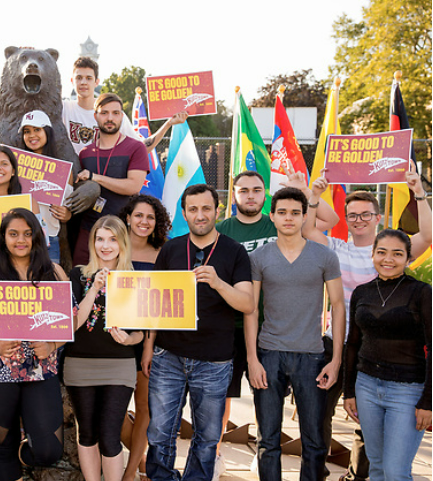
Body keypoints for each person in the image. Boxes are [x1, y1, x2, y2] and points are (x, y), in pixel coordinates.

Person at [302, 170, 431, 481]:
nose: (358, 220)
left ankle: (358, 475)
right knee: (321, 416)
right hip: (339, 345)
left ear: (377, 217)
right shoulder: (338, 250)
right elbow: (307, 231)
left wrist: (420, 194)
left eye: (365, 214)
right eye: (352, 215)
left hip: (384, 357)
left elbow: (426, 236)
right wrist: (313, 197)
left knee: (377, 440)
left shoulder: (393, 250)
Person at [214, 169, 338, 478]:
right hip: (238, 332)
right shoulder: (224, 231)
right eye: (244, 190)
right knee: (228, 402)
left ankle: (275, 460)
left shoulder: (286, 225)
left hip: (291, 339)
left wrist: (306, 190)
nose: (251, 195)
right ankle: (215, 453)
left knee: (300, 426)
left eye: (258, 189)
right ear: (235, 195)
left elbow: (329, 219)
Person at [143, 184, 254, 481]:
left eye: (206, 208)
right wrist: (148, 347)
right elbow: (154, 302)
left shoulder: (234, 251)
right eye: (193, 209)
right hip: (169, 355)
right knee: (159, 431)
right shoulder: (171, 248)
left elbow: (247, 302)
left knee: (207, 437)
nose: (200, 215)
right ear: (184, 213)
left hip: (214, 360)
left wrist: (219, 283)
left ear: (217, 210)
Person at [0, 208, 71, 481]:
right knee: (3, 446)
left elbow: (70, 321)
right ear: (3, 237)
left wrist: (52, 345)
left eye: (27, 234)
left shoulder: (52, 271)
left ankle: (26, 453)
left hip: (40, 370)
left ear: (36, 237)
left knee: (48, 451)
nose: (20, 240)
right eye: (13, 234)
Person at [245, 187, 345, 481]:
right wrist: (252, 359)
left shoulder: (324, 256)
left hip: (311, 355)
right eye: (282, 212)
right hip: (269, 353)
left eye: (295, 213)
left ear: (304, 217)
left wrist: (335, 360)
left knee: (314, 441)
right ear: (272, 216)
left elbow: (338, 306)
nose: (289, 218)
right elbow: (251, 309)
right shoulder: (259, 257)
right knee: (268, 440)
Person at [343, 229, 431, 481]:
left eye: (397, 253)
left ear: (408, 258)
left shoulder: (422, 293)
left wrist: (428, 402)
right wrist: (349, 392)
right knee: (377, 467)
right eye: (381, 252)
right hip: (367, 388)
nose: (388, 259)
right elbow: (353, 344)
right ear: (372, 254)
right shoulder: (362, 292)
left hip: (408, 391)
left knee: (396, 472)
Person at [66, 215, 143, 481]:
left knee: (110, 435)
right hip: (79, 365)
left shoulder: (134, 278)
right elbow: (72, 324)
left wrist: (129, 339)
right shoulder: (78, 274)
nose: (105, 245)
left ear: (123, 243)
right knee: (86, 431)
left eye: (112, 239)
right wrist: (94, 288)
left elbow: (141, 332)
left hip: (119, 365)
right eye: (100, 239)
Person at [117, 194, 171, 481]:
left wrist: (149, 345)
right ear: (127, 217)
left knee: (144, 407)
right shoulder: (113, 248)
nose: (144, 222)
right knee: (111, 411)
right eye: (138, 215)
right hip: (112, 338)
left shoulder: (164, 253)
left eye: (150, 217)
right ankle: (140, 457)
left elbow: (161, 306)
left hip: (149, 339)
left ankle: (131, 473)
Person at [72, 93, 150, 265]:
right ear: (95, 116)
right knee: (80, 278)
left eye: (115, 113)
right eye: (104, 113)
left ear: (122, 116)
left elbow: (133, 186)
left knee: (116, 286)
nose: (110, 118)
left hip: (120, 230)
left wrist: (95, 177)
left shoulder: (135, 147)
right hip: (88, 230)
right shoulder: (85, 152)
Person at [61, 56, 187, 156]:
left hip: (100, 180)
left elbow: (141, 148)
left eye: (88, 78)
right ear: (72, 81)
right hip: (68, 182)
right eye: (79, 78)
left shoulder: (112, 113)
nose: (83, 82)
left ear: (96, 82)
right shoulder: (63, 108)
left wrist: (168, 124)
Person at [19, 110, 73, 262]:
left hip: (49, 239)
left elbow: (68, 211)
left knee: (48, 284)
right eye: (27, 131)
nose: (31, 135)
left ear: (47, 132)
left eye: (37, 129)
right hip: (18, 238)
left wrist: (66, 214)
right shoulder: (14, 166)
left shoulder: (63, 171)